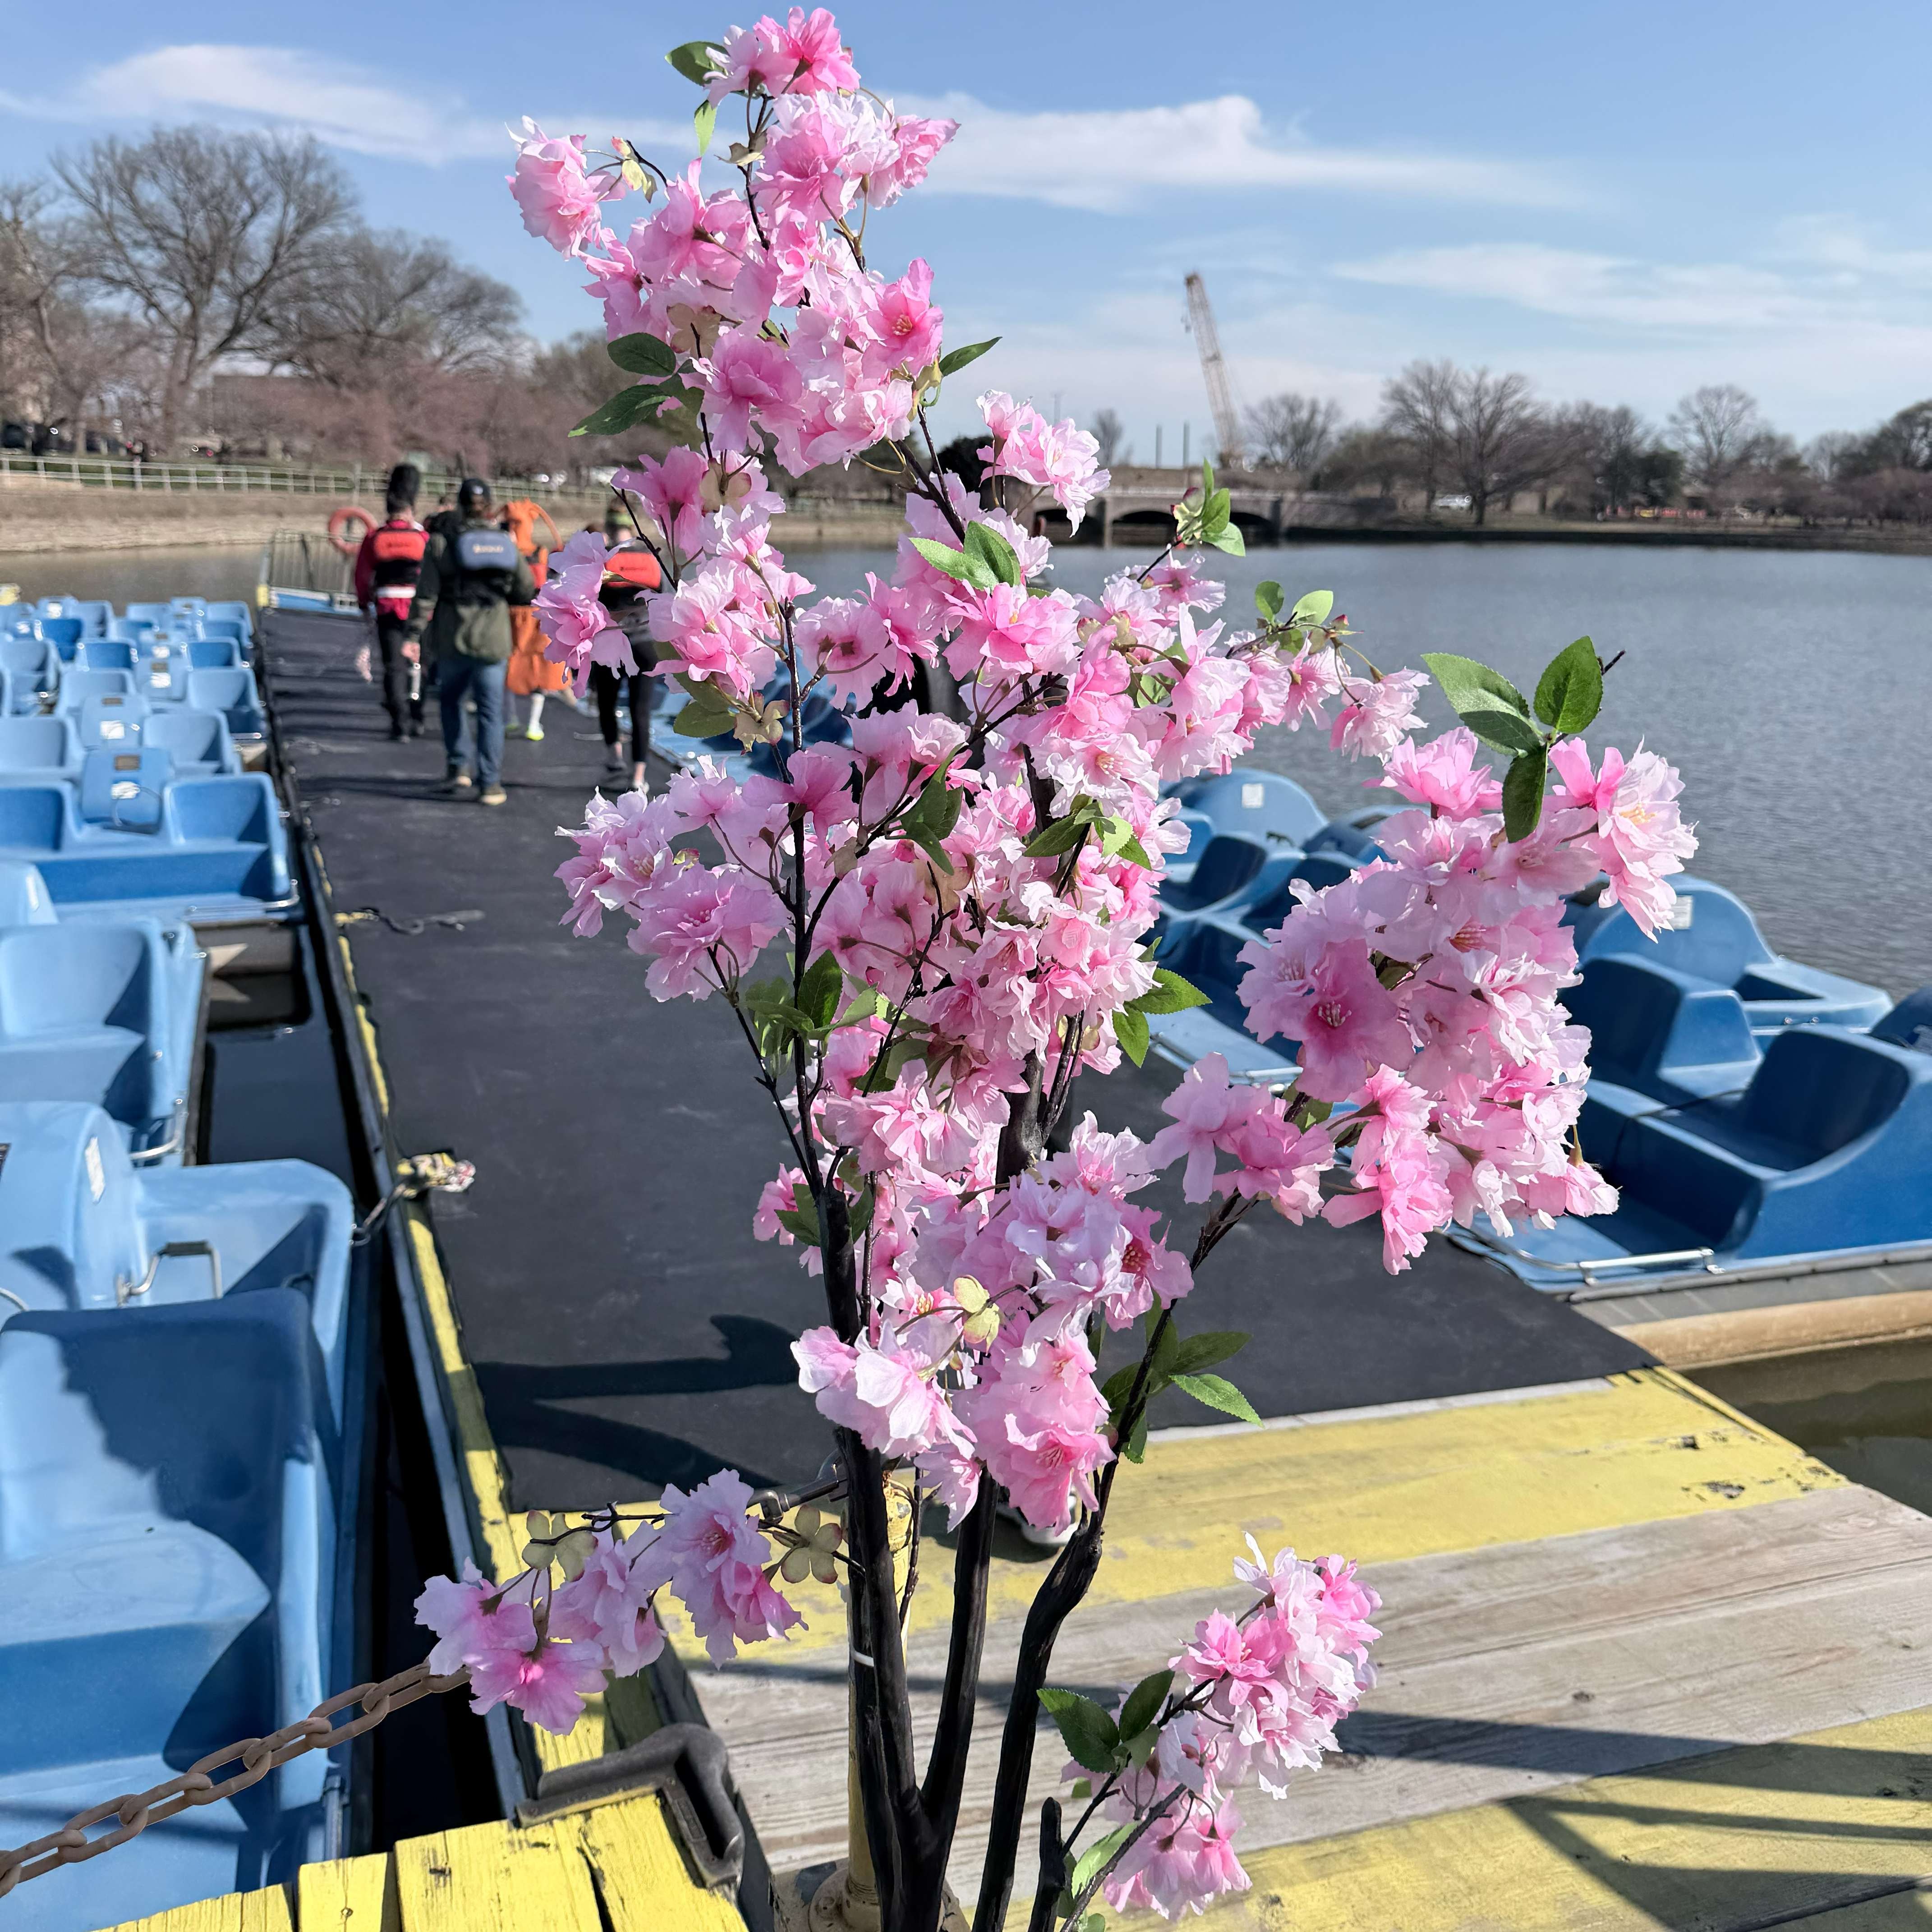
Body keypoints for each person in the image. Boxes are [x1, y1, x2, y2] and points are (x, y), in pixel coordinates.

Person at [405, 477, 535, 806]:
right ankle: (490, 784)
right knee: (491, 713)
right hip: (493, 641)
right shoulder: (506, 543)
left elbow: (426, 596)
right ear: (490, 506)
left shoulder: (440, 544)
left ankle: (457, 767)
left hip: (453, 638)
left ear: (460, 507)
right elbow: (524, 589)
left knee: (451, 702)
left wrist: (412, 634)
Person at [351, 465, 428, 738]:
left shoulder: (375, 538)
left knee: (393, 667)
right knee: (419, 665)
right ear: (409, 509)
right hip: (418, 611)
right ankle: (418, 715)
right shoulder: (421, 538)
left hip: (387, 609)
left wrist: (363, 603)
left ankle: (400, 724)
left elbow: (362, 575)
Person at [589, 542, 662, 791]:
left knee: (606, 703)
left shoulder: (605, 559)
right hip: (645, 643)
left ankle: (616, 763)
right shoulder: (650, 559)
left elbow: (592, 600)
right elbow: (659, 598)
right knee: (640, 711)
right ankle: (638, 779)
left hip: (611, 643)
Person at [501, 499, 571, 742]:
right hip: (525, 614)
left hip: (521, 615)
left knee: (520, 663)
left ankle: (521, 720)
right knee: (525, 665)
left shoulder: (524, 551)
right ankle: (523, 721)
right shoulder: (535, 552)